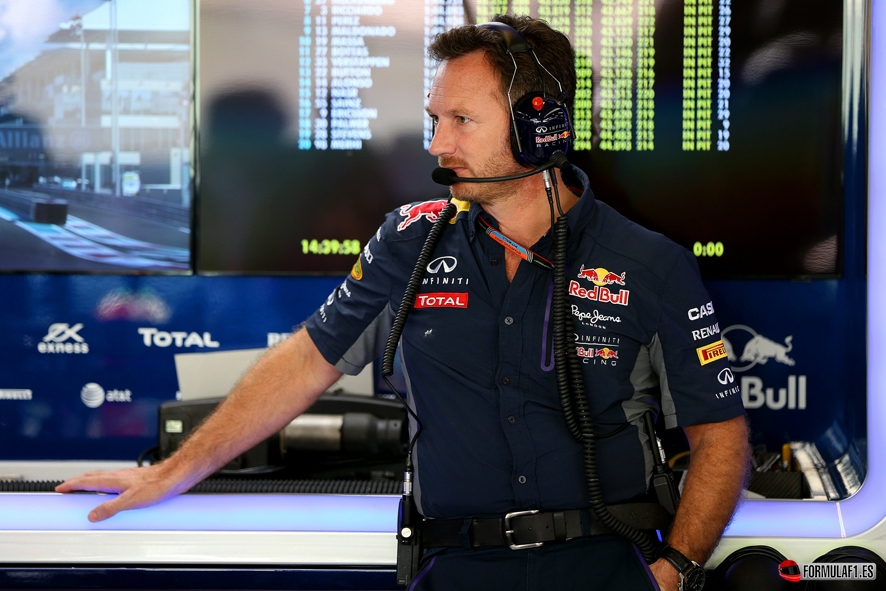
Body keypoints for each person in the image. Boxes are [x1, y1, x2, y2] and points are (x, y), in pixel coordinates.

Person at [58, 14, 750, 591]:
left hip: (603, 566)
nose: (437, 143)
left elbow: (718, 435)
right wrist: (173, 471)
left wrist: (677, 568)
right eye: (433, 118)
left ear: (540, 128)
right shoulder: (410, 238)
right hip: (453, 567)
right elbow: (305, 361)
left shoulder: (650, 264)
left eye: (461, 120)